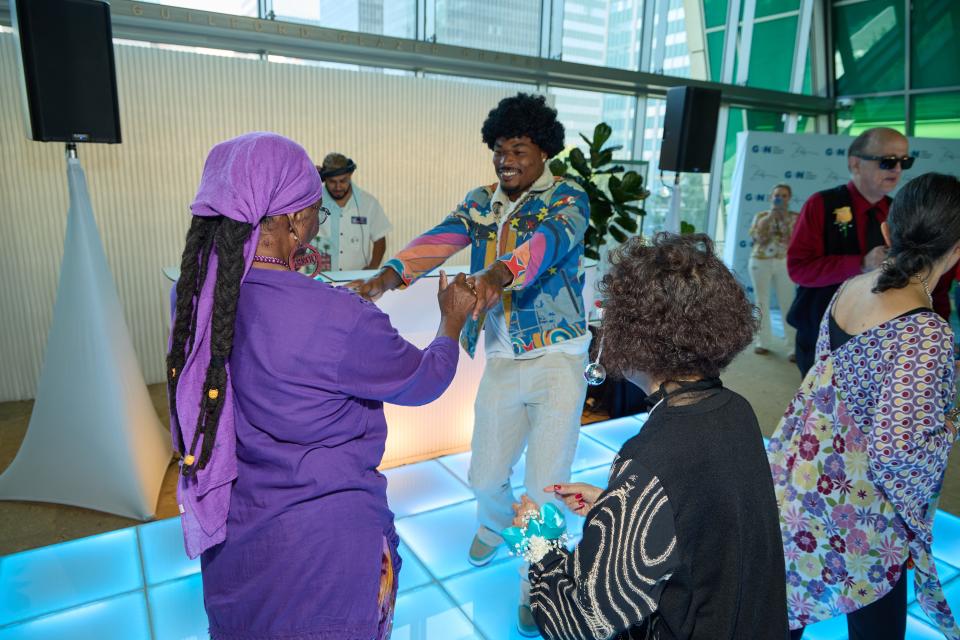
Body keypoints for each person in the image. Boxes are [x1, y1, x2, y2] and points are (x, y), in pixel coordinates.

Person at [166, 132, 476, 640]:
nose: (317, 217)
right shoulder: (339, 317)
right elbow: (424, 381)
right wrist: (451, 322)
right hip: (326, 550)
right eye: (314, 206)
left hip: (239, 541)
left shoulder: (196, 295)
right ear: (292, 220)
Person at [348, 93, 590, 636]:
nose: (506, 160)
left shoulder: (569, 197)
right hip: (504, 358)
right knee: (484, 474)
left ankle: (539, 583)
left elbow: (548, 245)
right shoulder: (481, 201)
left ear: (544, 151)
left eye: (519, 150)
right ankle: (494, 522)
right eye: (499, 150)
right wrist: (388, 277)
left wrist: (496, 275)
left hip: (558, 359)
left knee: (546, 486)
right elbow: (440, 238)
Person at [512, 233, 789, 639]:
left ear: (633, 336)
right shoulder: (738, 411)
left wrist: (538, 542)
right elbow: (706, 520)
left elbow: (578, 622)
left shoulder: (649, 459)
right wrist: (618, 507)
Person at [768, 173, 960, 639]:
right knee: (876, 614)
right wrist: (949, 422)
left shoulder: (851, 287)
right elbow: (898, 451)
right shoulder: (924, 330)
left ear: (888, 233)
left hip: (802, 478)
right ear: (956, 250)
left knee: (782, 604)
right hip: (862, 506)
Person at [786, 127, 912, 376]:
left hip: (879, 333)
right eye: (888, 161)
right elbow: (800, 269)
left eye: (904, 162)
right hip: (823, 329)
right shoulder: (821, 204)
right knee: (820, 411)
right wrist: (861, 264)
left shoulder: (900, 211)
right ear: (855, 163)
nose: (897, 169)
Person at [312, 152, 392, 271]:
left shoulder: (368, 203)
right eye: (332, 182)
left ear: (350, 175)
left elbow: (379, 238)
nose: (338, 187)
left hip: (356, 280)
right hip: (321, 278)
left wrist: (372, 268)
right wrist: (309, 180)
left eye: (343, 181)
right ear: (324, 179)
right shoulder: (312, 202)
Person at [749, 183, 799, 359]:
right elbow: (758, 238)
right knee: (761, 300)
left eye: (784, 195)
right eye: (777, 195)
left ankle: (793, 346)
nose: (780, 198)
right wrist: (770, 217)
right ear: (771, 197)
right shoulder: (761, 216)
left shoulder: (795, 217)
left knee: (788, 302)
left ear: (789, 198)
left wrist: (783, 220)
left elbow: (795, 240)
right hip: (760, 260)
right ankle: (762, 341)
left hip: (785, 261)